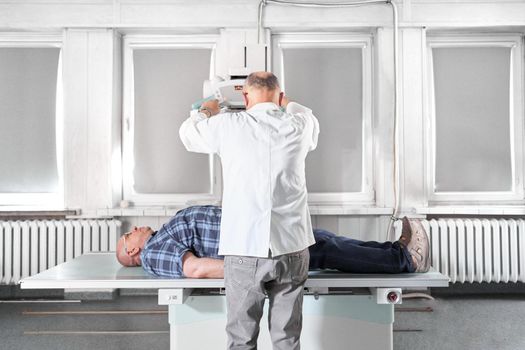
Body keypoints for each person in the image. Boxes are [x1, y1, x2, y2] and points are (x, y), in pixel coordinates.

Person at [179, 72, 319, 350]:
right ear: (280, 97)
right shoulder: (300, 125)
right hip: (292, 247)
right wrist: (284, 101)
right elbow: (301, 110)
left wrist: (209, 108)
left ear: (245, 97)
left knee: (241, 340)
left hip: (244, 248)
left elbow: (188, 134)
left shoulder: (228, 125)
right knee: (287, 339)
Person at [116, 206, 431, 279]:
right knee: (324, 250)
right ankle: (405, 260)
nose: (136, 228)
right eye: (129, 233)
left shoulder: (160, 237)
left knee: (325, 241)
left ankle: (395, 251)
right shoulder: (152, 254)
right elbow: (195, 269)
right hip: (259, 248)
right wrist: (255, 268)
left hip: (262, 231)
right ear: (132, 250)